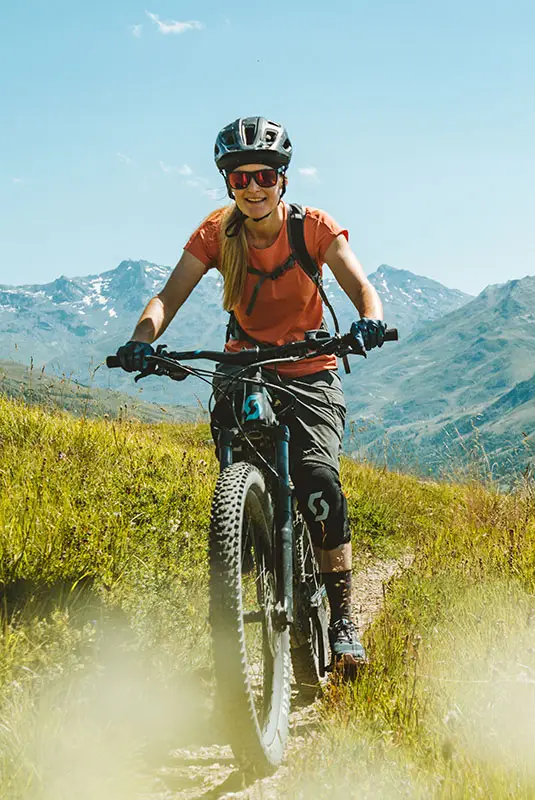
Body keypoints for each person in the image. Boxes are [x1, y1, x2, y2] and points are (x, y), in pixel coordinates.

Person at [115, 116, 387, 670]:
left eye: (263, 175)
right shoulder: (217, 234)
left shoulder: (311, 227)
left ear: (282, 179)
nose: (253, 187)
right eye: (240, 179)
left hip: (309, 368)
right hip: (245, 365)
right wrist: (140, 341)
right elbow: (167, 297)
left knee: (316, 477)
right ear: (227, 185)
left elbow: (360, 284)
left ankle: (342, 616)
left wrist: (369, 320)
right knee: (236, 473)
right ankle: (247, 572)